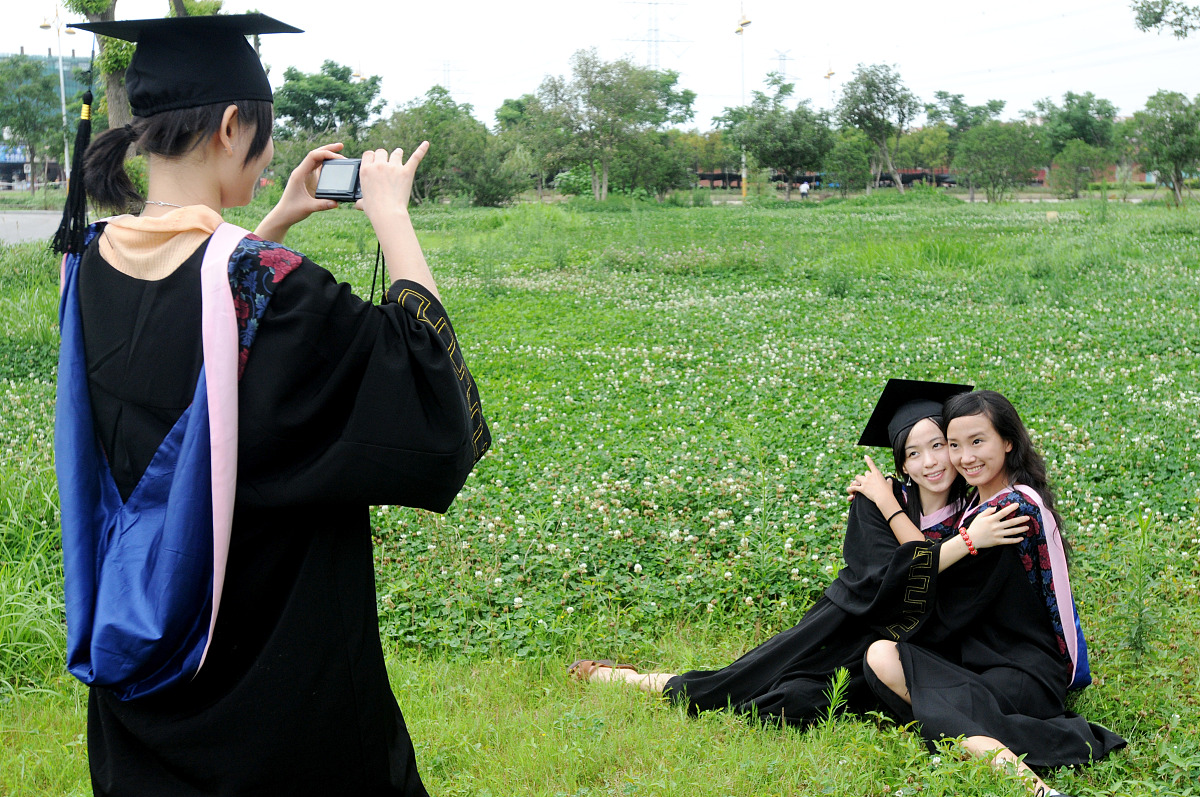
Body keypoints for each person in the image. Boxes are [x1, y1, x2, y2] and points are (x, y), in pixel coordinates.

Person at [54, 15, 489, 796]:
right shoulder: (276, 288)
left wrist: (273, 222)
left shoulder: (88, 267)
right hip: (274, 682)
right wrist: (391, 216)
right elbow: (429, 399)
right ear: (231, 125)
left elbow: (196, 321)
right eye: (261, 134)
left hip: (144, 675)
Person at [569, 380, 1027, 726]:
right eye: (912, 453)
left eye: (939, 446)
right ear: (900, 464)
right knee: (738, 682)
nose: (931, 462)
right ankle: (627, 679)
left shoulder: (975, 510)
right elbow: (886, 583)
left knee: (794, 704)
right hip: (843, 629)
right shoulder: (876, 500)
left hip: (911, 653)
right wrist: (890, 505)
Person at [862, 390, 1124, 797]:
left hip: (1020, 673)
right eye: (954, 445)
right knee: (883, 658)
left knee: (887, 661)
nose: (964, 457)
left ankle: (1023, 781)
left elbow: (939, 597)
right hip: (992, 664)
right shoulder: (989, 504)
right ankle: (983, 746)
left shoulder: (1005, 514)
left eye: (977, 442)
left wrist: (887, 503)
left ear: (1008, 442)